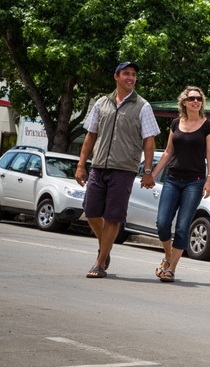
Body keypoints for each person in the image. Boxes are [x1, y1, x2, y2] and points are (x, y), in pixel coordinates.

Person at [76, 61, 160, 278]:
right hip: (98, 166)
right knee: (91, 211)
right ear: (116, 77)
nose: (130, 78)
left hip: (124, 169)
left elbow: (149, 141)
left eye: (133, 75)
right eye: (126, 74)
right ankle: (106, 246)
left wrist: (148, 170)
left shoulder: (143, 106)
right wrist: (80, 165)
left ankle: (100, 262)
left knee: (113, 216)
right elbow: (90, 135)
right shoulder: (101, 103)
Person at [151, 86, 210, 283]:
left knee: (182, 227)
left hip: (194, 183)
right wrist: (153, 174)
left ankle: (171, 269)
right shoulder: (175, 123)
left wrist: (209, 180)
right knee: (162, 223)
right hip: (172, 179)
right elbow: (168, 152)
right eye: (192, 98)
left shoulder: (208, 126)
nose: (196, 101)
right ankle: (168, 256)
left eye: (199, 98)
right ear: (184, 102)